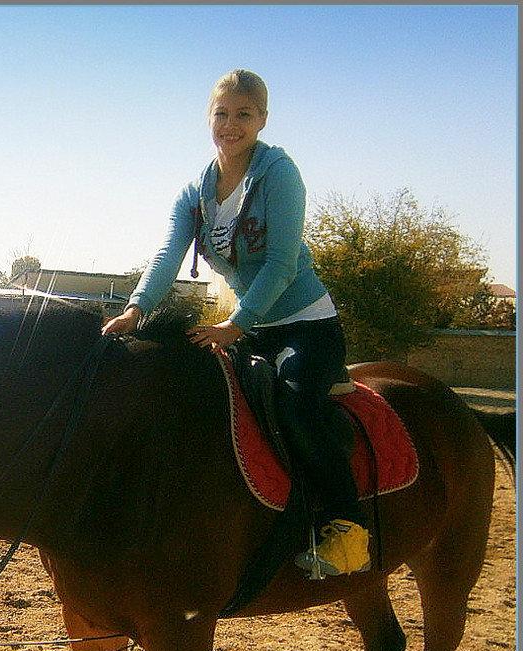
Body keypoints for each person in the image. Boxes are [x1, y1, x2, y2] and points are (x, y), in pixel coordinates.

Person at [101, 69, 369, 576]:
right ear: (209, 118)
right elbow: (167, 255)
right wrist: (136, 309)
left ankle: (347, 530)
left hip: (304, 325)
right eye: (222, 114)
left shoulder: (279, 174)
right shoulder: (195, 192)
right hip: (250, 327)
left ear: (262, 119)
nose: (231, 124)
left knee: (294, 407)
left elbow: (282, 262)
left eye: (244, 114)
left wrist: (236, 324)